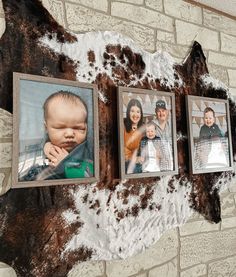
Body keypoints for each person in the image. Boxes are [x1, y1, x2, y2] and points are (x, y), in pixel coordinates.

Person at [21, 90, 93, 181]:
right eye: (60, 127)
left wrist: (66, 165)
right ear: (46, 128)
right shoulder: (49, 141)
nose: (70, 134)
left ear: (86, 128)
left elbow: (89, 178)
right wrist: (46, 145)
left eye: (78, 128)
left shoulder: (88, 152)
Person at [124, 98, 144, 174]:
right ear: (128, 112)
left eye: (138, 112)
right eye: (132, 111)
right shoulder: (123, 126)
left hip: (140, 161)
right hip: (127, 162)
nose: (135, 114)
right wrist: (133, 158)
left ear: (141, 114)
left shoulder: (143, 129)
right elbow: (122, 148)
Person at [152, 99, 173, 170]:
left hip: (171, 164)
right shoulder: (151, 126)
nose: (161, 113)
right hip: (157, 164)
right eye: (159, 111)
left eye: (163, 111)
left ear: (166, 112)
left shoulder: (170, 126)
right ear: (155, 112)